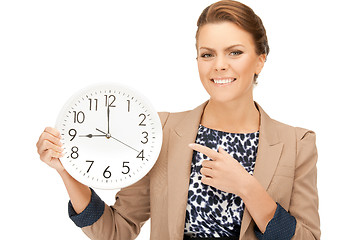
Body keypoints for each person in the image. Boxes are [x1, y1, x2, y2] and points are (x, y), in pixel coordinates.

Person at [36, 0, 320, 239]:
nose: (220, 64)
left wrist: (247, 188)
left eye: (235, 52)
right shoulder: (160, 129)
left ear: (260, 59)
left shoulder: (297, 143)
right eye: (207, 54)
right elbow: (117, 229)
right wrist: (67, 172)